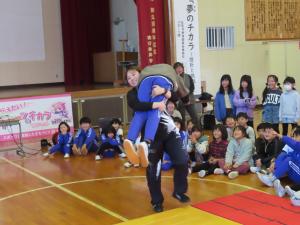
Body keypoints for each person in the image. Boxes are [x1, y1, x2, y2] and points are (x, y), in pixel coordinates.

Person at [125, 64, 191, 212]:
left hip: (170, 132)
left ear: (141, 74)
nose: (132, 79)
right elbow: (138, 105)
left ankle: (179, 191)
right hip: (151, 136)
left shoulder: (157, 82)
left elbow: (175, 97)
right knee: (153, 169)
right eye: (129, 78)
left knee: (182, 161)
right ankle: (157, 201)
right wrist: (156, 104)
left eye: (134, 75)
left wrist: (164, 91)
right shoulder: (131, 94)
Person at [256, 127, 300, 197]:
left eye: (295, 137)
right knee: (285, 157)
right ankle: (275, 180)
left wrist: (279, 135)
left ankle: (272, 178)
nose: (293, 139)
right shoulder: (295, 150)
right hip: (296, 174)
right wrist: (275, 164)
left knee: (289, 160)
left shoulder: (296, 146)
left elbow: (294, 144)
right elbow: (284, 155)